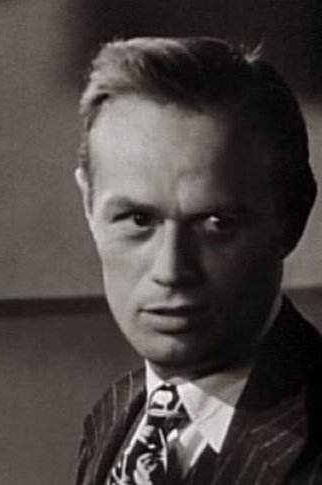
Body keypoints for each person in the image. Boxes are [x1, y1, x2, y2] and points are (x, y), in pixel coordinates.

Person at [74, 37, 322, 484]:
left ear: (291, 219)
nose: (171, 271)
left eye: (216, 223)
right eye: (138, 220)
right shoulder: (115, 415)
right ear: (89, 208)